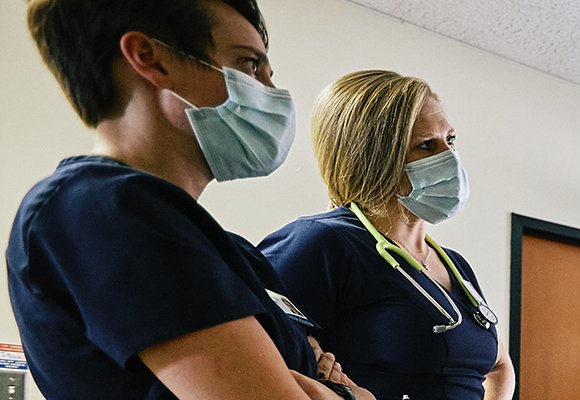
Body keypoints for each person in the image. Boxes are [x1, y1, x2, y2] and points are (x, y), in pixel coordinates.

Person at [7, 0, 371, 398]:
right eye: (249, 66)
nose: (272, 94)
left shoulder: (230, 251)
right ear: (151, 58)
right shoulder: (98, 208)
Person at [259, 70, 515, 400]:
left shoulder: (454, 266)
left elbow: (499, 365)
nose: (449, 158)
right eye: (426, 145)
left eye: (450, 141)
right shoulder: (323, 243)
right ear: (375, 158)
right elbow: (259, 357)